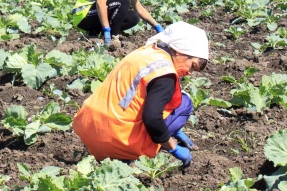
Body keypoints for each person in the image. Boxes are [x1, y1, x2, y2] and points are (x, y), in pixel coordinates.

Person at [72, 21, 209, 168]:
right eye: (192, 66)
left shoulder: (145, 52)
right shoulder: (165, 74)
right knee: (184, 102)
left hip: (88, 128)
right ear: (180, 51)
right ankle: (130, 153)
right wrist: (174, 148)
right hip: (116, 140)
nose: (189, 73)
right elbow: (152, 119)